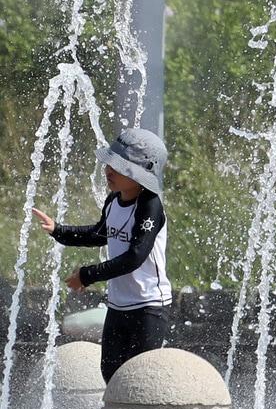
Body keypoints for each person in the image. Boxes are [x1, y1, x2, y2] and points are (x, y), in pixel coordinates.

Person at [32, 127, 172, 383]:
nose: (109, 170)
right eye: (109, 163)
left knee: (139, 379)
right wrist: (58, 230)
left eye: (119, 167)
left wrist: (87, 275)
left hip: (149, 307)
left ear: (140, 174)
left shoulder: (150, 205)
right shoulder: (113, 201)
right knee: (111, 374)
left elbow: (135, 257)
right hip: (118, 306)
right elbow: (99, 233)